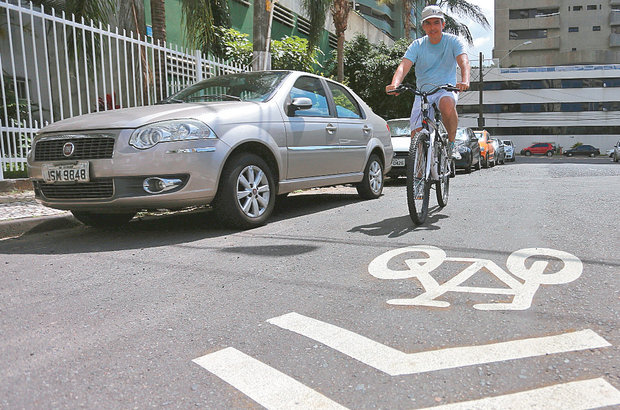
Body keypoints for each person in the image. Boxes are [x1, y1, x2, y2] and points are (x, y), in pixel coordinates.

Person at [386, 5, 471, 159]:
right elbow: (403, 66)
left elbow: (464, 61)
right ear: (423, 26)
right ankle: (418, 177)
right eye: (428, 23)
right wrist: (395, 84)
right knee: (416, 137)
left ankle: (452, 143)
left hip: (446, 89)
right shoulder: (417, 45)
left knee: (446, 104)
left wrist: (465, 80)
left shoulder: (453, 42)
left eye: (436, 23)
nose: (432, 27)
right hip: (423, 92)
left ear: (443, 24)